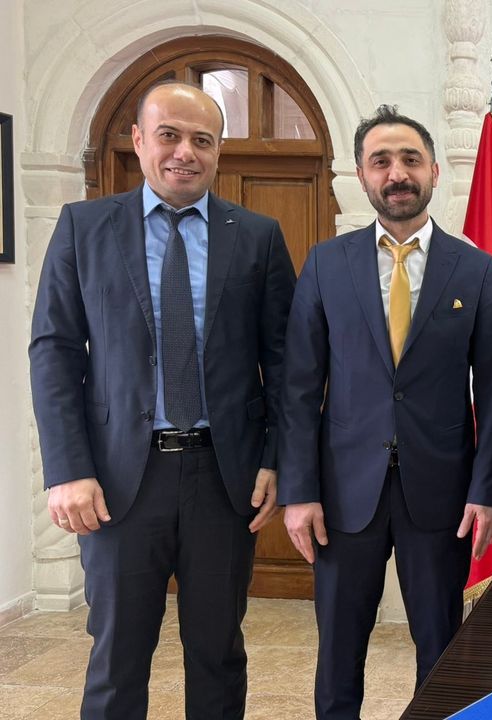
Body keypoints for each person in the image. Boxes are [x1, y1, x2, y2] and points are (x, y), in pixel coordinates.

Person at [29, 81, 296, 719]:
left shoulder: (257, 236)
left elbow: (287, 362)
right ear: (139, 140)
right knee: (116, 658)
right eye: (169, 135)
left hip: (223, 479)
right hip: (118, 480)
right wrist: (67, 469)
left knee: (218, 654)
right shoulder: (84, 228)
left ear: (218, 150)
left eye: (202, 140)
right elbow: (54, 351)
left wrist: (275, 457)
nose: (185, 152)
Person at [278, 105, 492, 720]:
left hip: (441, 494)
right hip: (342, 493)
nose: (397, 173)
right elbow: (299, 388)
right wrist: (298, 491)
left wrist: (487, 491)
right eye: (381, 161)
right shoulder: (326, 263)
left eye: (410, 159)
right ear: (361, 175)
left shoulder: (475, 269)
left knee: (440, 646)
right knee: (339, 652)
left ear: (434, 171)